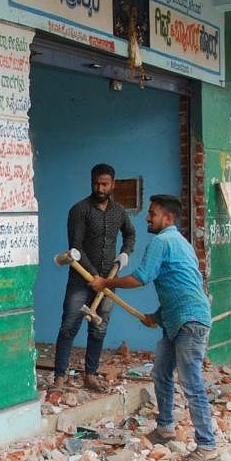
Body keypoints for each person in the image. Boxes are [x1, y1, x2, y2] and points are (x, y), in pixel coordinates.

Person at [91, 196, 217, 461]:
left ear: (168, 219)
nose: (148, 218)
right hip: (178, 320)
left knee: (191, 382)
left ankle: (207, 445)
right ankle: (165, 427)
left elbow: (141, 277)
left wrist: (106, 283)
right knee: (161, 372)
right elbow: (179, 286)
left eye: (153, 214)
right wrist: (155, 317)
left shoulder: (162, 241)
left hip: (189, 321)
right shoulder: (181, 243)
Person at [54, 163, 136, 390]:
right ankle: (59, 378)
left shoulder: (118, 212)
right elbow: (76, 248)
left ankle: (90, 375)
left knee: (99, 328)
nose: (100, 188)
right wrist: (94, 276)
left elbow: (130, 233)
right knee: (69, 327)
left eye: (104, 184)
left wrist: (124, 254)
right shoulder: (79, 210)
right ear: (91, 182)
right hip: (81, 280)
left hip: (108, 281)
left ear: (113, 184)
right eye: (96, 183)